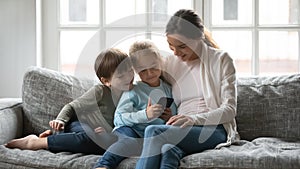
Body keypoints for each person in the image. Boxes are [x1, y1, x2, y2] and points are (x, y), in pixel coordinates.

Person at [135, 9, 240, 169]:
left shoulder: (221, 60)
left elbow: (229, 110)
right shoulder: (171, 64)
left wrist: (193, 119)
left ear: (199, 37)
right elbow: (147, 77)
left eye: (182, 46)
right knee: (168, 150)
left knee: (154, 132)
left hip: (213, 129)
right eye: (171, 47)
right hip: (180, 129)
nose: (176, 53)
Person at [5, 48, 135, 154]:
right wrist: (60, 120)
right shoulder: (100, 91)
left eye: (130, 71)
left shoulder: (135, 92)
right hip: (82, 124)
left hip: (102, 134)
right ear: (106, 81)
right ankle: (35, 142)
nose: (129, 77)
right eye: (121, 76)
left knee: (106, 145)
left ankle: (54, 137)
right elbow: (72, 107)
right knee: (92, 139)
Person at [94, 40, 177, 169]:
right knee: (129, 142)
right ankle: (103, 165)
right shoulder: (133, 90)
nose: (150, 74)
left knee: (166, 147)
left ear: (160, 62)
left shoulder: (168, 88)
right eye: (143, 71)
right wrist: (145, 115)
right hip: (129, 130)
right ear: (136, 71)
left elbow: (174, 113)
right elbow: (119, 118)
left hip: (150, 137)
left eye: (154, 67)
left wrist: (169, 117)